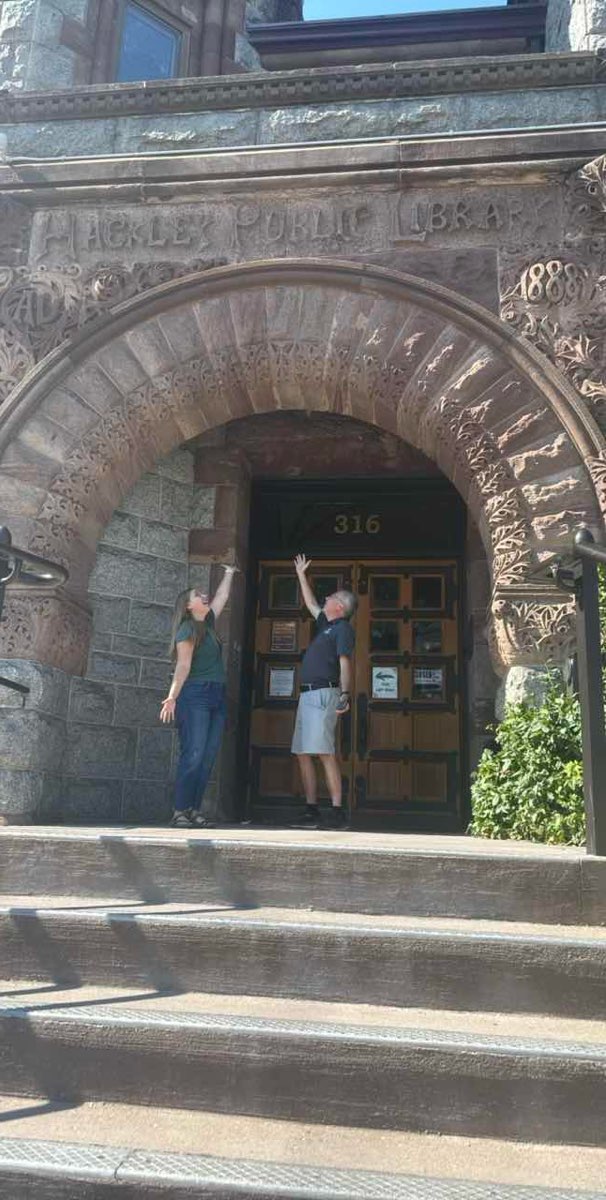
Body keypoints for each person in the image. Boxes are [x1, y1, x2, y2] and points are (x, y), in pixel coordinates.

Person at [160, 565, 238, 828]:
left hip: (216, 694)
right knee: (193, 753)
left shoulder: (210, 623)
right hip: (195, 695)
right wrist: (172, 697)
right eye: (197, 595)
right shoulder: (188, 629)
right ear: (188, 606)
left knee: (207, 756)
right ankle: (180, 810)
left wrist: (228, 573)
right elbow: (183, 666)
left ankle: (193, 809)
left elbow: (221, 598)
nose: (203, 596)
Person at [291, 553, 357, 830]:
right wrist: (300, 575)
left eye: (330, 597)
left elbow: (345, 662)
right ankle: (311, 810)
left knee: (324, 752)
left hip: (323, 695)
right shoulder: (326, 626)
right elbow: (310, 604)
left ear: (339, 606)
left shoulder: (342, 629)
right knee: (303, 753)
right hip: (306, 695)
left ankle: (337, 812)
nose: (325, 599)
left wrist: (345, 694)